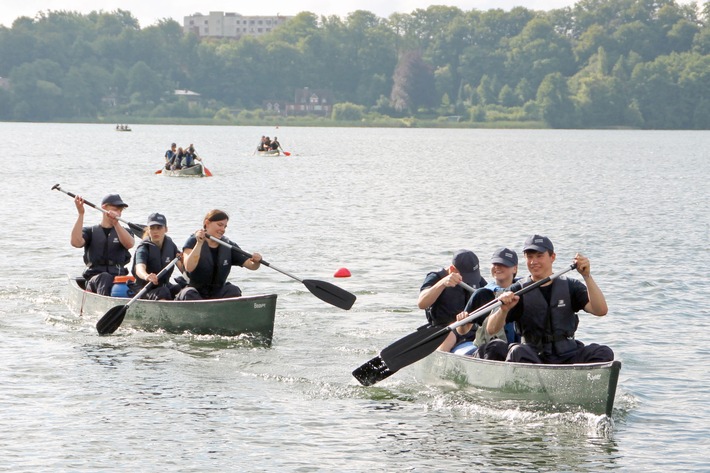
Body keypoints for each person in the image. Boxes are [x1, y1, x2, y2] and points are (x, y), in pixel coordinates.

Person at [486, 234, 613, 364]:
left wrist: (587, 276)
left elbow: (600, 310)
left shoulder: (571, 286)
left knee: (603, 352)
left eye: (539, 256)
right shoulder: (517, 290)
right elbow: (491, 329)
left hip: (568, 353)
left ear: (552, 257)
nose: (533, 262)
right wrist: (503, 310)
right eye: (529, 257)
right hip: (535, 356)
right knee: (517, 351)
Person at [439, 247, 521, 359]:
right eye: (495, 263)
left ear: (515, 269)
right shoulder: (481, 294)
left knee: (519, 349)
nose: (498, 267)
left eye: (504, 264)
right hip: (489, 350)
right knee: (497, 347)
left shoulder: (523, 291)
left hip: (516, 349)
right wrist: (462, 322)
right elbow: (462, 331)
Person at [176, 209, 263, 300]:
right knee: (189, 294)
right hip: (194, 291)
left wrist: (256, 262)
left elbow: (251, 265)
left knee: (233, 290)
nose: (223, 230)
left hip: (217, 292)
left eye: (225, 227)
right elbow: (189, 267)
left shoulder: (228, 245)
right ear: (207, 223)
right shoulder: (192, 241)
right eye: (220, 225)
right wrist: (199, 243)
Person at [70, 193, 134, 296]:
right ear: (104, 208)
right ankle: (105, 304)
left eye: (120, 211)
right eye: (115, 209)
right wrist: (81, 214)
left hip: (118, 279)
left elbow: (129, 244)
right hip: (95, 279)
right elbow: (76, 243)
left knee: (130, 283)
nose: (118, 213)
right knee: (105, 277)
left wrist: (116, 223)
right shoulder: (90, 231)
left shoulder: (125, 232)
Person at [418, 249, 487, 327]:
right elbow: (422, 303)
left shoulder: (476, 278)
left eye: (472, 276)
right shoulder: (435, 277)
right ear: (452, 269)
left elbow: (490, 295)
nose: (469, 280)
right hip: (444, 330)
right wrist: (442, 283)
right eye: (466, 276)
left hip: (468, 327)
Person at [131, 213, 184, 300]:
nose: (155, 231)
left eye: (159, 228)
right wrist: (146, 276)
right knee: (163, 291)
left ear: (166, 229)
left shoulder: (171, 246)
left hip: (165, 286)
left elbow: (182, 268)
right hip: (145, 290)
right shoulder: (143, 248)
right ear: (148, 230)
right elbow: (139, 268)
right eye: (152, 228)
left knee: (185, 287)